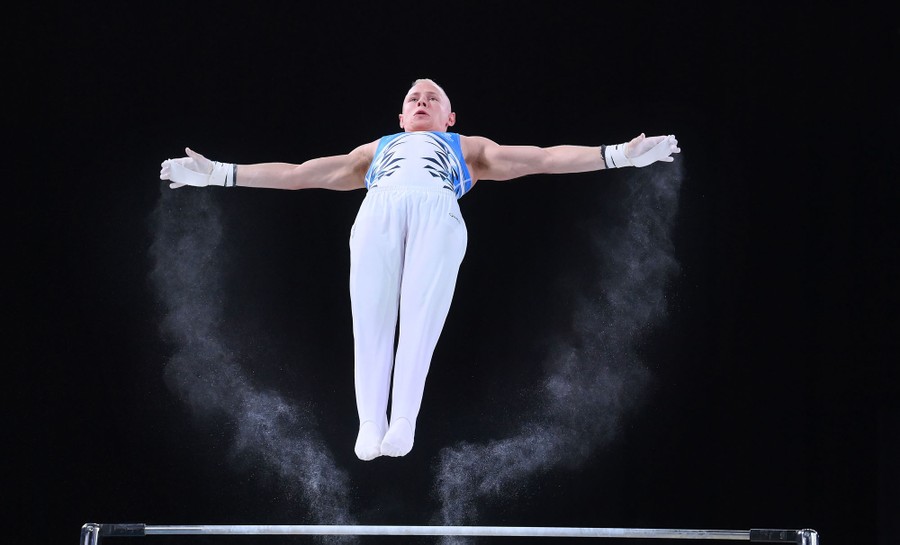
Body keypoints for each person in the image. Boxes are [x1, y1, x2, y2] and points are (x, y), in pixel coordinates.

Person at [160, 78, 680, 461]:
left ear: (450, 118)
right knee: (372, 322)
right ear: (401, 117)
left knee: (419, 323)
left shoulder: (469, 149)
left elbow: (543, 158)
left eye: (433, 98)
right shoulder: (374, 151)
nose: (422, 101)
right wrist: (219, 175)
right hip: (378, 211)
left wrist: (617, 155)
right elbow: (299, 175)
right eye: (413, 98)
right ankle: (370, 422)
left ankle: (403, 418)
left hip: (438, 212)